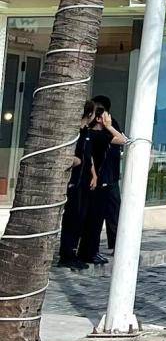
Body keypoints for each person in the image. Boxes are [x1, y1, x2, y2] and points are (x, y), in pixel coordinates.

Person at [75, 97, 126, 266]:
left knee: (102, 216)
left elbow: (121, 140)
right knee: (92, 219)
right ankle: (87, 252)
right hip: (96, 180)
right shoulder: (92, 133)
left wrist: (109, 126)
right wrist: (94, 175)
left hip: (106, 177)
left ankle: (92, 250)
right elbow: (88, 157)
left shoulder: (102, 133)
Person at [57, 101, 97, 269]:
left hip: (85, 180)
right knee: (72, 218)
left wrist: (94, 174)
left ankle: (73, 253)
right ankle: (66, 255)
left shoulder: (87, 132)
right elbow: (64, 153)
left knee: (80, 218)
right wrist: (75, 161)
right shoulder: (74, 133)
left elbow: (89, 156)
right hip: (74, 181)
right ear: (89, 114)